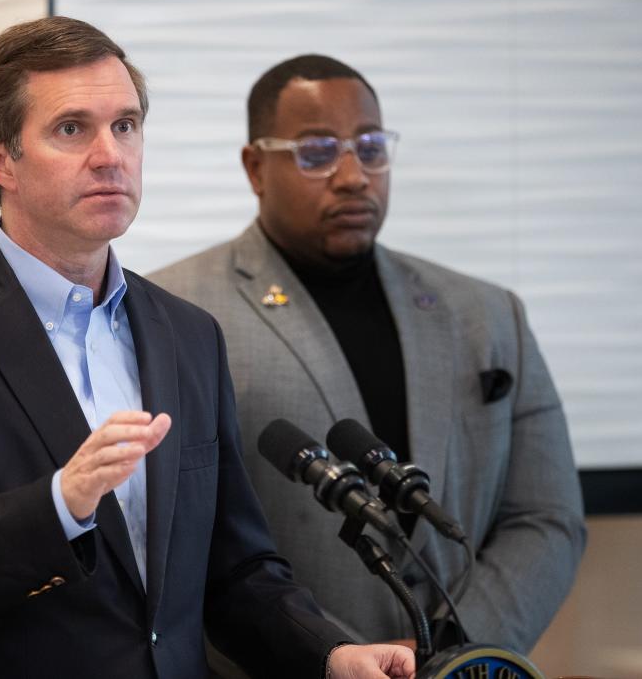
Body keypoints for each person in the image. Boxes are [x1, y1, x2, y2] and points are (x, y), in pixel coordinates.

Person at [0, 21, 415, 679]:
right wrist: (57, 506)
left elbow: (235, 570)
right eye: (72, 129)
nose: (111, 155)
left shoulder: (188, 335)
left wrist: (328, 655)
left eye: (126, 126)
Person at [149, 54, 586, 654]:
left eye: (371, 147)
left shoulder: (487, 314)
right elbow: (172, 543)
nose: (354, 175)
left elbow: (547, 516)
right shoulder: (174, 314)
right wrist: (329, 659)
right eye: (317, 151)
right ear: (255, 167)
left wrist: (454, 646)